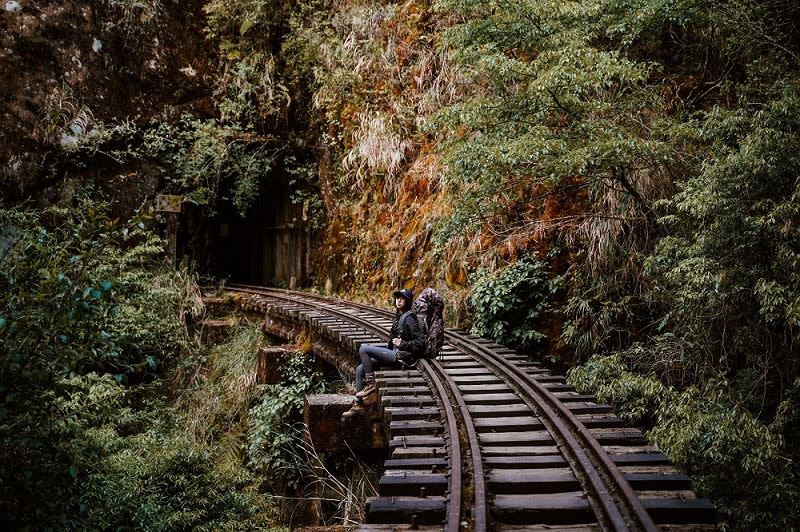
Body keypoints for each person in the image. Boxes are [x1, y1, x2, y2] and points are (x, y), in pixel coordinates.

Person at [342, 288, 425, 418]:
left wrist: (401, 344)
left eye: (402, 298)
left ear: (407, 301)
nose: (398, 300)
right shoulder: (399, 315)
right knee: (359, 369)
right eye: (397, 297)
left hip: (402, 357)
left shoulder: (410, 319)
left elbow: (421, 343)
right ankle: (358, 404)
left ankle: (370, 385)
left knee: (363, 348)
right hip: (394, 352)